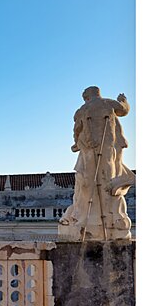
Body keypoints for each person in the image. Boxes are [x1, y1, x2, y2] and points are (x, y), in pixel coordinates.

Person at [59, 86, 132, 240]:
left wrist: (76, 143)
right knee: (107, 179)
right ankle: (109, 218)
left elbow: (76, 130)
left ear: (86, 97)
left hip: (90, 150)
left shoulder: (82, 110)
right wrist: (123, 100)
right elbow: (124, 110)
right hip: (106, 148)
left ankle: (88, 218)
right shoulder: (108, 103)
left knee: (88, 182)